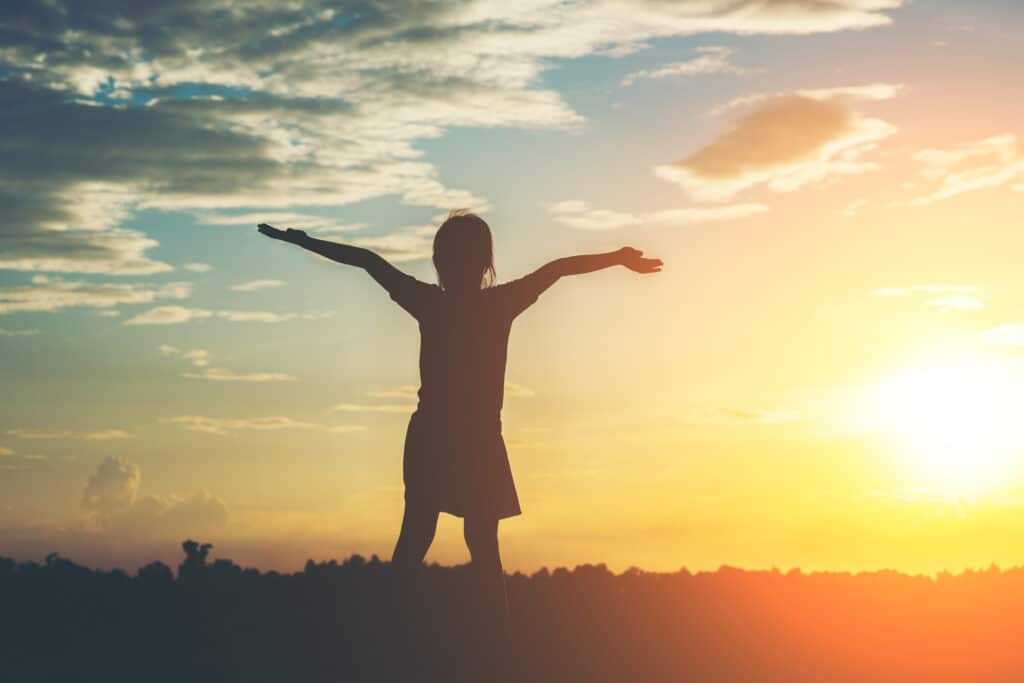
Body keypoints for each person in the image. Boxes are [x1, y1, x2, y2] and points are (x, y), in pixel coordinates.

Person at [257, 210, 661, 656]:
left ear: (442, 261)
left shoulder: (434, 301)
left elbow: (367, 260)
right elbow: (559, 268)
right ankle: (484, 645)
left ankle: (406, 641)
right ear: (483, 261)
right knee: (467, 542)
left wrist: (303, 241)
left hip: (446, 437)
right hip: (465, 439)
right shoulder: (493, 302)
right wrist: (618, 257)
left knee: (426, 538)